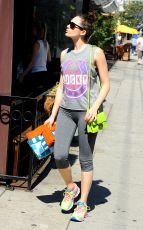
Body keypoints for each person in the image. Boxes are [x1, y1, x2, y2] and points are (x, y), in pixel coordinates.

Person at [45, 13, 110, 222]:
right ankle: (71, 188)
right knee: (59, 155)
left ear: (83, 31)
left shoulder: (95, 53)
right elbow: (62, 86)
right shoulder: (65, 54)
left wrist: (95, 108)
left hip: (86, 115)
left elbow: (106, 84)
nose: (67, 26)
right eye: (68, 23)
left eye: (72, 24)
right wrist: (53, 115)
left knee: (85, 160)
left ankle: (82, 203)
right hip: (65, 110)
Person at [19, 21, 51, 95]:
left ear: (37, 31)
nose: (32, 31)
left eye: (33, 29)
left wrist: (22, 75)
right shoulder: (46, 43)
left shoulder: (37, 44)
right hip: (44, 74)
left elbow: (32, 62)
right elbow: (49, 59)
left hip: (36, 75)